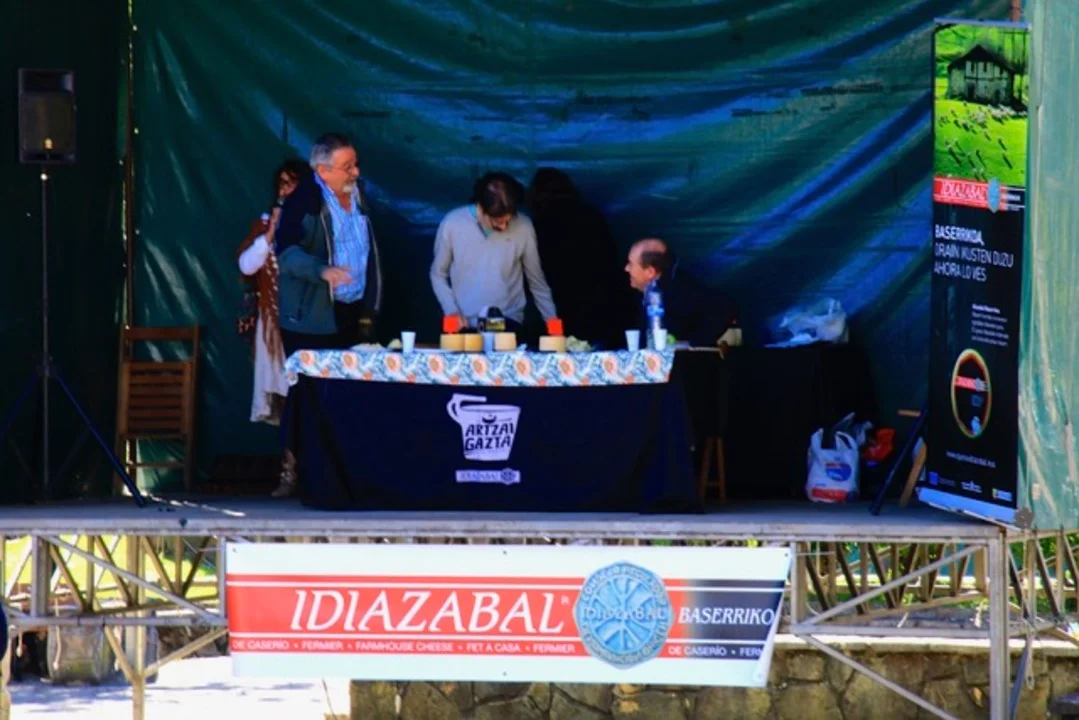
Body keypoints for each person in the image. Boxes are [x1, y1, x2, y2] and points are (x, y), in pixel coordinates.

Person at [276, 132, 383, 353]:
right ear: (323, 171)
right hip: (313, 320)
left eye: (356, 165)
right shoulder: (303, 202)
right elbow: (286, 253)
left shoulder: (360, 196)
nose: (356, 172)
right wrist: (321, 270)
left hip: (355, 314)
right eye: (347, 167)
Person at [430, 171, 557, 333]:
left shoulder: (524, 226)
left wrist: (555, 329)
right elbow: (437, 274)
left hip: (508, 322)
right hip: (465, 324)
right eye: (498, 221)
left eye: (508, 221)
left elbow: (537, 283)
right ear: (480, 207)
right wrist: (451, 310)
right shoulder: (453, 223)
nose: (504, 227)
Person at [527, 168, 634, 348]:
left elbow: (536, 271)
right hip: (599, 299)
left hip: (559, 300)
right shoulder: (592, 216)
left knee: (559, 351)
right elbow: (609, 256)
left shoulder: (540, 224)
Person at [237, 159, 309, 425]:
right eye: (282, 184)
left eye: (292, 183)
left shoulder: (314, 224)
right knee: (279, 394)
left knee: (304, 392)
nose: (285, 190)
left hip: (306, 321)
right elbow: (247, 266)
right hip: (273, 323)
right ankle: (287, 449)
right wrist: (269, 235)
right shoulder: (265, 224)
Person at [625, 238, 737, 348]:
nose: (626, 269)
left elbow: (725, 307)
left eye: (630, 264)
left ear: (650, 272)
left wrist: (690, 345)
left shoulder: (681, 288)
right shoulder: (644, 292)